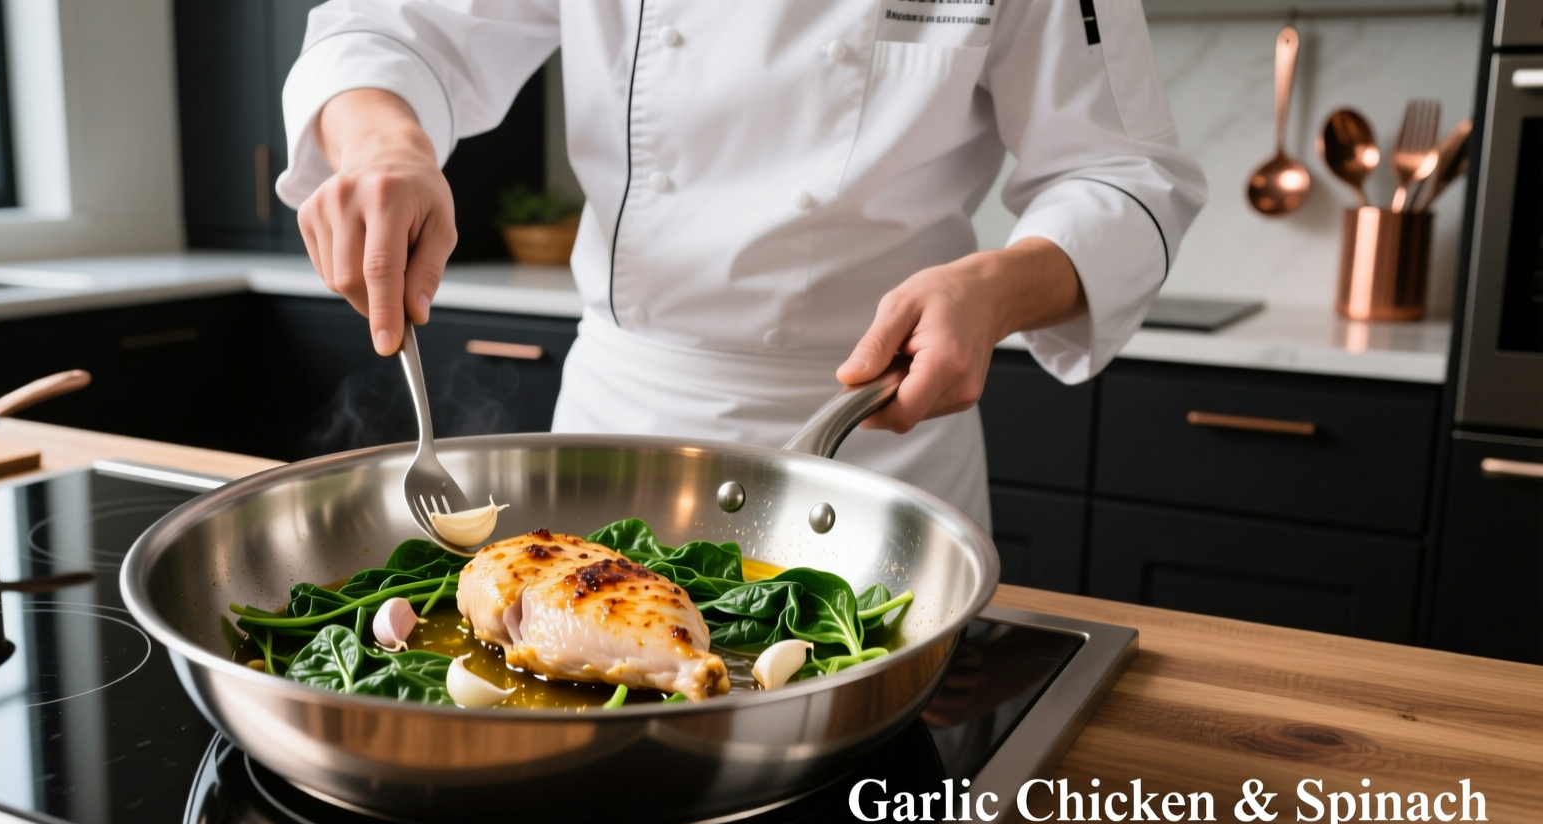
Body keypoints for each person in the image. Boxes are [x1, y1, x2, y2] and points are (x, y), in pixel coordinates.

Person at [276, 1, 1207, 529]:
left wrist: (994, 287)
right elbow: (392, 31)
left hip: (875, 437)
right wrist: (384, 147)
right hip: (620, 428)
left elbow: (1127, 173)